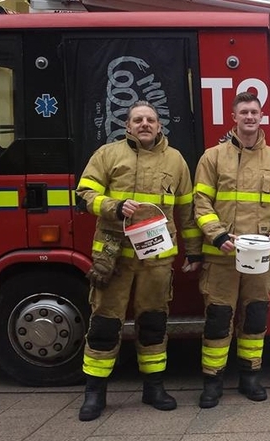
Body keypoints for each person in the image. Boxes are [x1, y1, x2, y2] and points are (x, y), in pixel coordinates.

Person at [75, 100, 203, 421]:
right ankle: (95, 392)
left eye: (150, 119)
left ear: (159, 126)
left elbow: (186, 211)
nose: (144, 124)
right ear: (127, 126)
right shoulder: (108, 155)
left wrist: (195, 250)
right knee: (105, 321)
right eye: (137, 120)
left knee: (153, 322)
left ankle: (153, 387)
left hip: (156, 258)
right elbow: (85, 194)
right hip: (113, 255)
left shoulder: (175, 161)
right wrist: (114, 205)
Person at [193, 91, 270, 408]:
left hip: (262, 256)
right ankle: (213, 381)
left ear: (261, 116)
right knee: (218, 318)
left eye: (254, 112)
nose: (250, 117)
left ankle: (250, 378)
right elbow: (201, 204)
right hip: (222, 255)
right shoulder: (212, 157)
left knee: (254, 317)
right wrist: (217, 235)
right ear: (234, 117)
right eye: (244, 112)